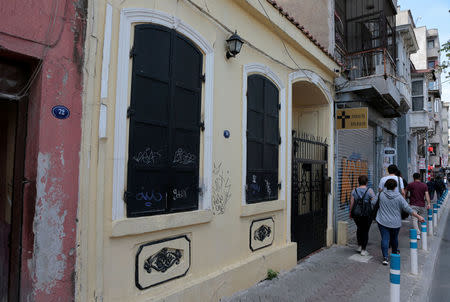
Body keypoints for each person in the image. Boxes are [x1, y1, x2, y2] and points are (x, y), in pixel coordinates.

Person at [373, 179, 425, 265]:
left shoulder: (380, 194)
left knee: (385, 239)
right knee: (394, 238)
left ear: (385, 185)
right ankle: (394, 253)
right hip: (395, 222)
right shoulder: (399, 196)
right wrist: (418, 216)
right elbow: (407, 208)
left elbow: (373, 202)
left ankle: (385, 258)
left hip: (382, 220)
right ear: (395, 187)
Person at [349, 175, 375, 256]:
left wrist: (350, 213)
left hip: (357, 214)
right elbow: (373, 202)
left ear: (358, 182)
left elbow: (352, 203)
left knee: (359, 229)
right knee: (365, 230)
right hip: (367, 214)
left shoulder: (354, 191)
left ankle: (359, 246)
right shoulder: (370, 191)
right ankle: (363, 250)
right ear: (367, 182)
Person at [405, 173, 431, 240]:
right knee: (419, 219)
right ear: (420, 177)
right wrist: (428, 204)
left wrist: (405, 198)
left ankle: (418, 233)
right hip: (422, 205)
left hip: (413, 204)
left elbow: (405, 192)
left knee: (415, 219)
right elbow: (427, 195)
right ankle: (419, 232)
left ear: (413, 178)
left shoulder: (410, 185)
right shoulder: (424, 185)